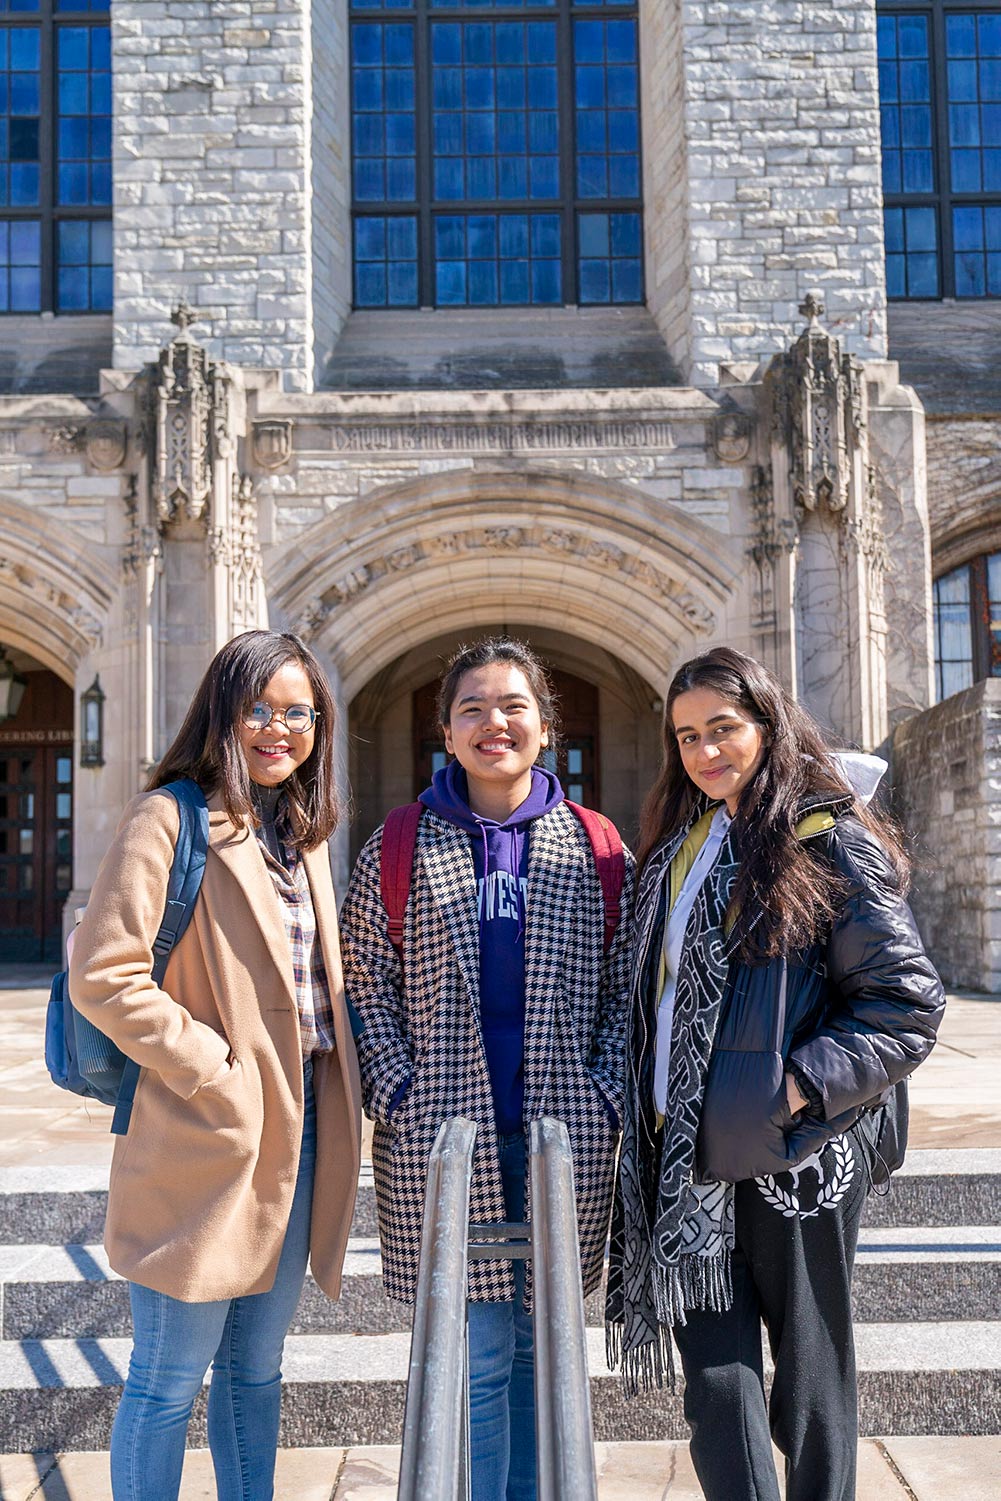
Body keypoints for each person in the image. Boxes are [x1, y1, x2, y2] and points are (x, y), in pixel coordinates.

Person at [605, 646, 945, 1501]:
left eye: (723, 728)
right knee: (717, 1391)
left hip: (798, 1160)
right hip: (687, 1169)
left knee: (807, 1388)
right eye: (685, 736)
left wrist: (793, 1088)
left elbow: (905, 1003)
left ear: (768, 723)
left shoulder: (825, 838)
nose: (703, 751)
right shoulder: (679, 846)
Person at [69, 629, 362, 1501]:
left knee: (256, 1368)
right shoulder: (171, 815)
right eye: (258, 709)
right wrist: (211, 1066)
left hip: (303, 1124)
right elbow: (105, 972)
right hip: (204, 1128)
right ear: (223, 713)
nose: (279, 728)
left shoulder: (303, 833)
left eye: (298, 712)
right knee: (168, 1374)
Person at [339, 637, 634, 1501]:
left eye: (512, 706)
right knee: (475, 1354)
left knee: (549, 1354)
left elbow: (626, 980)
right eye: (471, 707)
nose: (492, 723)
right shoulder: (399, 841)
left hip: (560, 1134)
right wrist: (395, 1088)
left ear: (545, 725)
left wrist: (604, 1090)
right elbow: (364, 976)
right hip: (444, 1135)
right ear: (445, 730)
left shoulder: (595, 844)